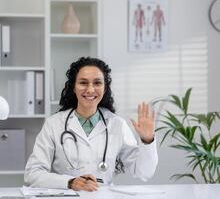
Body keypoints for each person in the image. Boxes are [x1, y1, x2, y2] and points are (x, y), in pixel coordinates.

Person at [24, 57, 158, 191]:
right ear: (74, 88)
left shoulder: (117, 124)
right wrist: (70, 182)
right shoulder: (54, 124)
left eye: (97, 83)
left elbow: (143, 172)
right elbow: (33, 174)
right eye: (83, 83)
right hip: (67, 195)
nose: (90, 89)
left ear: (105, 88)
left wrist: (147, 140)